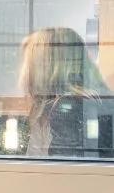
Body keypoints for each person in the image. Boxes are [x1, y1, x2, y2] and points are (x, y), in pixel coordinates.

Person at [19, 27, 114, 160]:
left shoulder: (68, 109)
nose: (26, 69)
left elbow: (63, 170)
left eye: (31, 62)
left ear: (47, 66)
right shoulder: (95, 102)